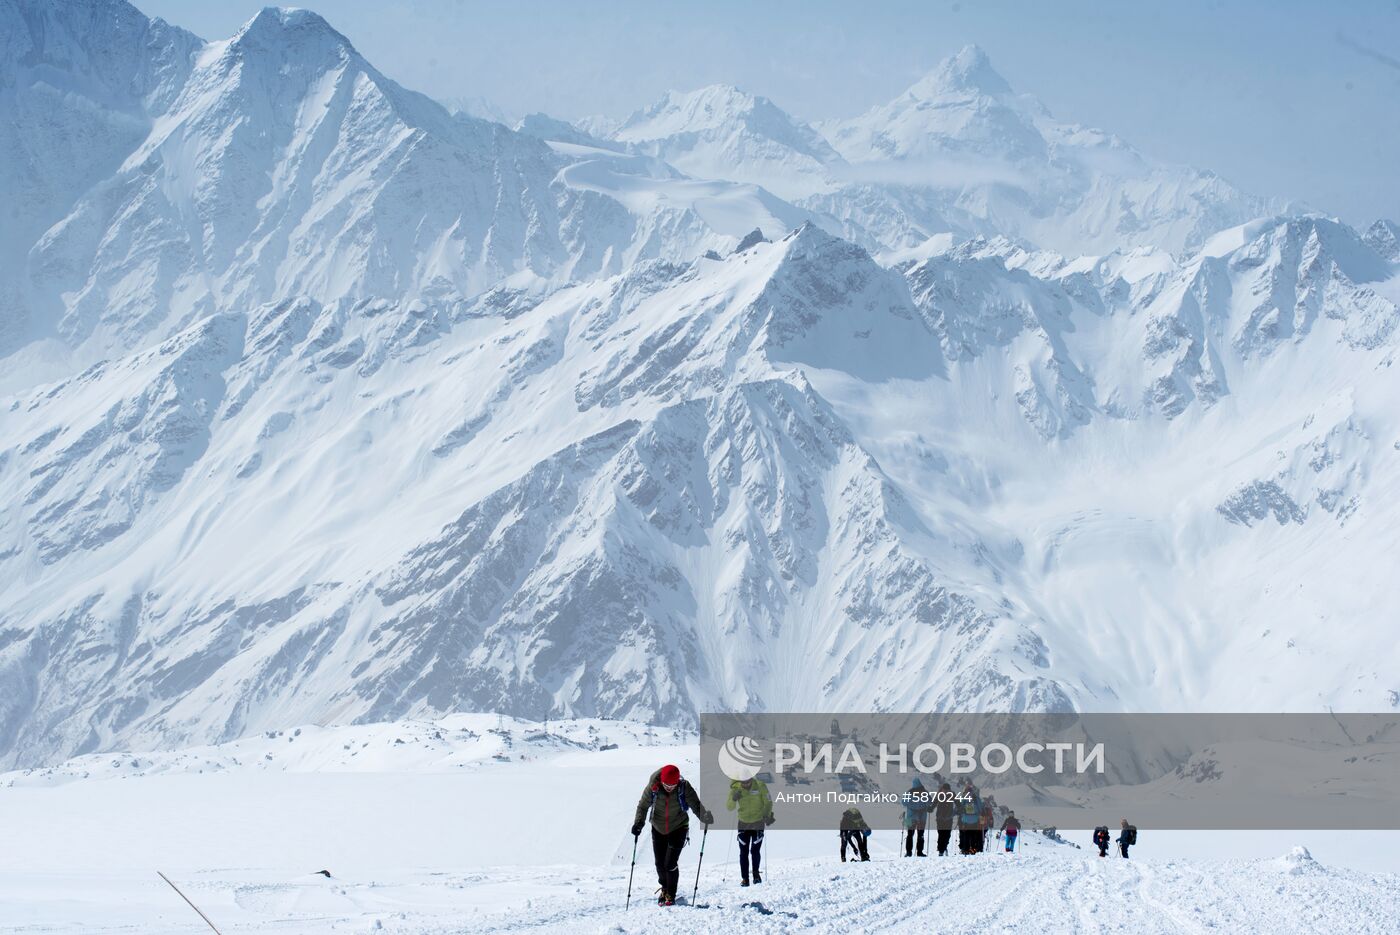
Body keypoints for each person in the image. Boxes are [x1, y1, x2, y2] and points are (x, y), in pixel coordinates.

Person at [632, 764, 713, 906]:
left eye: (673, 785)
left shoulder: (683, 787)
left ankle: (671, 893)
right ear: (661, 781)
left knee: (670, 863)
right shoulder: (653, 787)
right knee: (659, 864)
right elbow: (643, 806)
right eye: (667, 785)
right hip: (658, 827)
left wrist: (704, 816)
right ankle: (664, 887)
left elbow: (695, 804)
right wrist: (639, 823)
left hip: (679, 827)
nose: (670, 787)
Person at [726, 775, 775, 886]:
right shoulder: (736, 789)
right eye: (743, 783)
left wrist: (767, 815)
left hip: (758, 822)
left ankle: (756, 876)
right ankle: (745, 879)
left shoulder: (760, 786)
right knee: (743, 852)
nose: (746, 785)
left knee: (755, 851)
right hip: (743, 823)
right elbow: (729, 807)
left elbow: (768, 802)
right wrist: (734, 798)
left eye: (748, 782)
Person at [902, 777, 930, 856]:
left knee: (910, 834)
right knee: (920, 834)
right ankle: (920, 852)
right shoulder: (925, 793)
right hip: (922, 817)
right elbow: (929, 802)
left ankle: (908, 852)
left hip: (910, 817)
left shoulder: (909, 792)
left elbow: (903, 802)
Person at [957, 781, 983, 854]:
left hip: (965, 820)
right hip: (974, 820)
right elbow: (980, 808)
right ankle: (973, 850)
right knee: (973, 835)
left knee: (966, 835)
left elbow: (960, 808)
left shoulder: (963, 798)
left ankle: (965, 850)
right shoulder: (976, 798)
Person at [934, 782, 956, 856]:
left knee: (946, 835)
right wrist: (930, 808)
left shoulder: (952, 795)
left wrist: (960, 808)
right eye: (945, 790)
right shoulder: (939, 795)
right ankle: (941, 849)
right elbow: (934, 803)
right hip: (941, 818)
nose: (946, 791)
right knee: (941, 834)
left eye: (947, 790)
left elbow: (958, 802)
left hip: (948, 818)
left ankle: (943, 848)